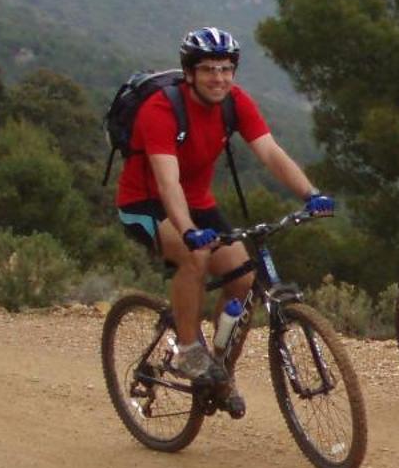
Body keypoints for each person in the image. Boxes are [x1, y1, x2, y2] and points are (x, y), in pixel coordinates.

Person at [116, 27, 333, 385]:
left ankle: (219, 365)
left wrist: (311, 194)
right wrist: (187, 231)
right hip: (146, 202)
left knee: (244, 279)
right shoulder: (160, 109)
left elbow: (270, 152)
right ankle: (188, 352)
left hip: (199, 201)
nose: (218, 78)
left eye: (225, 68)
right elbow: (167, 183)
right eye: (208, 69)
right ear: (190, 73)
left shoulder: (235, 102)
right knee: (195, 256)